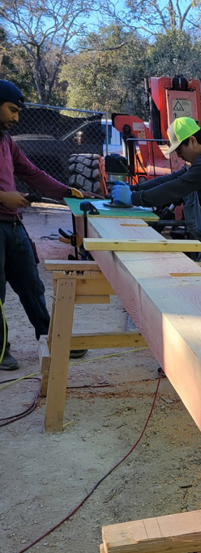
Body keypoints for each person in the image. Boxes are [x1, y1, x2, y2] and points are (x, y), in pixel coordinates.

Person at [0, 79, 85, 371]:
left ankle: (51, 337)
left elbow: (33, 173)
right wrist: (3, 196)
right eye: (12, 110)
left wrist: (65, 191)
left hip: (13, 226)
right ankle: (1, 351)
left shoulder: (7, 141)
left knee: (32, 286)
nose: (16, 118)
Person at [111, 117, 201, 264]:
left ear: (192, 141)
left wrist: (133, 198)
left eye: (179, 149)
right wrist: (134, 189)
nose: (178, 155)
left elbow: (176, 187)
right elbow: (171, 179)